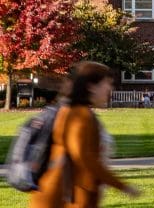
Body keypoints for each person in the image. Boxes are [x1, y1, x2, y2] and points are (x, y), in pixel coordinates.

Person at [29, 61, 141, 208]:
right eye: (107, 84)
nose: (110, 89)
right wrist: (122, 186)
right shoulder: (79, 115)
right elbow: (83, 157)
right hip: (66, 197)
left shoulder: (75, 111)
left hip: (65, 194)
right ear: (91, 87)